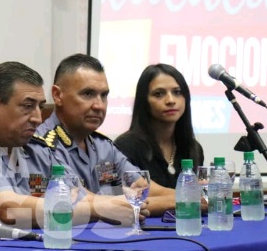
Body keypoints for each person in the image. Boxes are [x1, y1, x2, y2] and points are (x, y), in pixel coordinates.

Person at [0, 61, 139, 237]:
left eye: (40, 107)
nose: (37, 118)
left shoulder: (35, 147)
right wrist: (99, 209)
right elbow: (5, 209)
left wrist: (117, 204)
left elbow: (77, 194)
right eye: (27, 106)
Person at [36, 53, 175, 216]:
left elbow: (143, 188)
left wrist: (190, 195)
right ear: (58, 95)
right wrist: (187, 201)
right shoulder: (42, 145)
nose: (99, 105)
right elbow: (83, 201)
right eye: (88, 94)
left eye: (104, 95)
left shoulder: (102, 146)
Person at [114, 63, 205, 189]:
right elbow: (132, 199)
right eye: (159, 94)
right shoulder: (126, 147)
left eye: (177, 92)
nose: (171, 100)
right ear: (144, 101)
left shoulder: (193, 148)